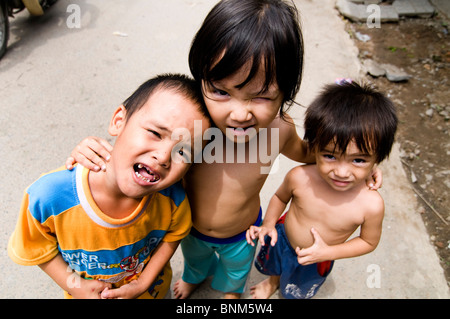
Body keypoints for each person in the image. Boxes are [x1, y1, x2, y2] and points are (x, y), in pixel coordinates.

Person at [65, 0, 381, 299]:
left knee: (236, 270)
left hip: (243, 231)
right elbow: (140, 146)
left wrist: (357, 163)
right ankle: (193, 279)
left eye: (261, 96)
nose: (239, 113)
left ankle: (231, 291)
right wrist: (94, 153)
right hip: (189, 229)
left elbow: (311, 153)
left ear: (286, 91)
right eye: (220, 91)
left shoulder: (279, 130)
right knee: (195, 263)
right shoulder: (193, 125)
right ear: (201, 77)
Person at [8, 74, 211, 299]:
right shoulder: (48, 197)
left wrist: (143, 282)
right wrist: (75, 286)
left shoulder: (173, 199)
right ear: (118, 121)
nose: (164, 157)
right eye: (155, 133)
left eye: (183, 152)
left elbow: (175, 233)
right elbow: (36, 247)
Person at [246, 81, 398, 299]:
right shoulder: (300, 177)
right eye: (329, 156)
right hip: (283, 239)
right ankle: (272, 282)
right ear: (314, 147)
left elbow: (368, 241)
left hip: (319, 256)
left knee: (297, 288)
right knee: (277, 267)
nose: (342, 172)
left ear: (377, 160)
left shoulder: (371, 204)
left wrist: (328, 252)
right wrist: (269, 223)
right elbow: (280, 197)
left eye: (358, 160)